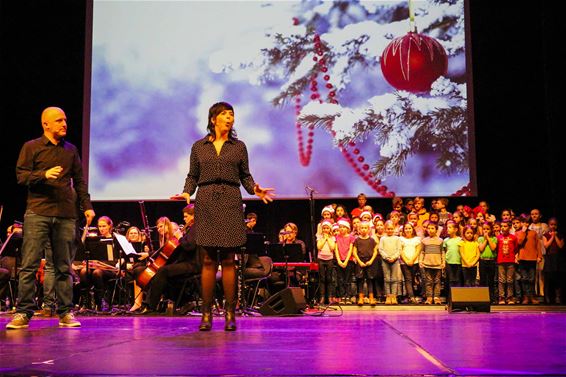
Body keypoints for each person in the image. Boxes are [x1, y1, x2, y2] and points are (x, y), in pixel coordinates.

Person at [172, 102, 274, 331]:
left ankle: (230, 314)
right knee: (208, 261)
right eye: (225, 114)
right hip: (206, 200)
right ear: (213, 119)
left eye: (232, 115)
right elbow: (192, 175)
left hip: (230, 200)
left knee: (228, 261)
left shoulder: (238, 147)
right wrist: (187, 192)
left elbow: (246, 177)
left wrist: (255, 190)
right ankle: (206, 315)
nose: (230, 118)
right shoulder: (199, 147)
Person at [7, 107, 95, 329]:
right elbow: (22, 176)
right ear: (45, 124)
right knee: (29, 265)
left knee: (64, 266)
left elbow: (80, 181)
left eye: (65, 120)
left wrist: (87, 206)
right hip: (38, 212)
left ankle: (65, 313)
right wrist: (43, 175)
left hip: (65, 215)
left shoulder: (71, 150)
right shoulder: (32, 147)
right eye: (58, 121)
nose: (64, 124)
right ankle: (23, 313)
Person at [137, 204, 200, 314]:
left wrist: (180, 237)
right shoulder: (191, 228)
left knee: (163, 271)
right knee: (164, 273)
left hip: (193, 264)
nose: (184, 219)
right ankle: (184, 302)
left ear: (194, 215)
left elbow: (190, 247)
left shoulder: (197, 228)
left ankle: (151, 306)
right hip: (187, 263)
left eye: (186, 216)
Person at [78, 216, 115, 312]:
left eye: (104, 226)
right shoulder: (94, 240)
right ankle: (86, 303)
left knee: (97, 273)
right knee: (83, 271)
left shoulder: (115, 239)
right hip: (95, 266)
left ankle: (100, 302)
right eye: (100, 226)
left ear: (110, 226)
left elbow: (117, 258)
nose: (101, 229)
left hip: (109, 269)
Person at [516, 214, 542, 304]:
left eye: (527, 222)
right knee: (524, 278)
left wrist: (539, 256)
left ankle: (532, 296)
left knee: (532, 278)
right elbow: (519, 242)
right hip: (523, 258)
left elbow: (538, 245)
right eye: (523, 222)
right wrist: (523, 231)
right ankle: (526, 297)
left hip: (532, 258)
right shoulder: (518, 233)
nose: (525, 224)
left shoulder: (533, 233)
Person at [352, 221, 379, 306]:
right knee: (360, 280)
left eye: (365, 228)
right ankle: (361, 298)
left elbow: (375, 251)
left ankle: (371, 298)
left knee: (370, 280)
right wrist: (359, 262)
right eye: (362, 228)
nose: (364, 229)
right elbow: (354, 251)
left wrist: (371, 261)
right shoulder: (357, 240)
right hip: (360, 261)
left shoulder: (371, 240)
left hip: (369, 261)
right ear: (359, 229)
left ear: (368, 229)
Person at [420, 222, 445, 305]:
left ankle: (436, 297)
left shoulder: (440, 241)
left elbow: (442, 252)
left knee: (437, 281)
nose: (430, 230)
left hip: (437, 264)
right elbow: (422, 252)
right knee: (428, 281)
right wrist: (421, 261)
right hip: (427, 264)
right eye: (429, 228)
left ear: (436, 230)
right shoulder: (424, 241)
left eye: (432, 228)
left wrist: (443, 262)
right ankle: (429, 297)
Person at [379, 221, 402, 305]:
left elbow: (399, 250)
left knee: (394, 279)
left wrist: (394, 257)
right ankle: (388, 296)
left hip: (395, 260)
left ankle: (394, 296)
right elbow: (380, 249)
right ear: (385, 229)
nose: (389, 230)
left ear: (394, 229)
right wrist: (386, 257)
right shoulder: (383, 238)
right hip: (385, 261)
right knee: (387, 278)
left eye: (391, 229)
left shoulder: (397, 238)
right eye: (388, 229)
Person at [496, 220, 518, 305]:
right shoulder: (498, 237)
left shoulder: (513, 237)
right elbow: (497, 249)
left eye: (505, 226)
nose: (503, 228)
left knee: (510, 280)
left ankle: (510, 297)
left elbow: (516, 248)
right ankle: (501, 297)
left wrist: (512, 256)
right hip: (501, 261)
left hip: (510, 261)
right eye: (502, 226)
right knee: (501, 280)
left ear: (509, 227)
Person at [542, 217, 564, 304]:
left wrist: (555, 236)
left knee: (558, 278)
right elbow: (546, 246)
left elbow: (560, 246)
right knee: (548, 279)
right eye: (551, 224)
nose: (553, 226)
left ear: (557, 225)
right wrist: (552, 237)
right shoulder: (545, 235)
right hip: (549, 259)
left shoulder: (561, 235)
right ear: (548, 225)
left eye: (554, 224)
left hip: (558, 259)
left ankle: (558, 297)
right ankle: (547, 297)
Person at [399, 222, 422, 304]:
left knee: (412, 279)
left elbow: (418, 250)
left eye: (409, 228)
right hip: (404, 263)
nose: (408, 230)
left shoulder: (417, 239)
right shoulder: (401, 239)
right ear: (403, 230)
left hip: (414, 262)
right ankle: (412, 297)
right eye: (406, 228)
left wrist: (412, 260)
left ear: (413, 229)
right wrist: (406, 260)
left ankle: (410, 296)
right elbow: (400, 251)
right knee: (408, 279)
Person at [316, 220, 336, 305]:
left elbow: (332, 248)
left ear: (330, 229)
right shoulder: (319, 237)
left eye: (327, 228)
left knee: (329, 278)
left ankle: (329, 297)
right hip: (321, 259)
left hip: (330, 259)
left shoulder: (332, 238)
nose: (325, 230)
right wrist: (324, 239)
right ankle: (322, 297)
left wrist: (328, 238)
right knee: (322, 278)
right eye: (324, 228)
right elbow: (319, 247)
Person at [478, 222, 498, 303]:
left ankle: (491, 298)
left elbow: (493, 248)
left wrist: (488, 238)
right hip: (483, 261)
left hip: (491, 261)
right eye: (484, 229)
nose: (486, 231)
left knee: (491, 280)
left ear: (491, 230)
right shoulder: (480, 239)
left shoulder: (494, 238)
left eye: (487, 229)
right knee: (483, 280)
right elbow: (481, 249)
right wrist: (485, 239)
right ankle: (483, 297)